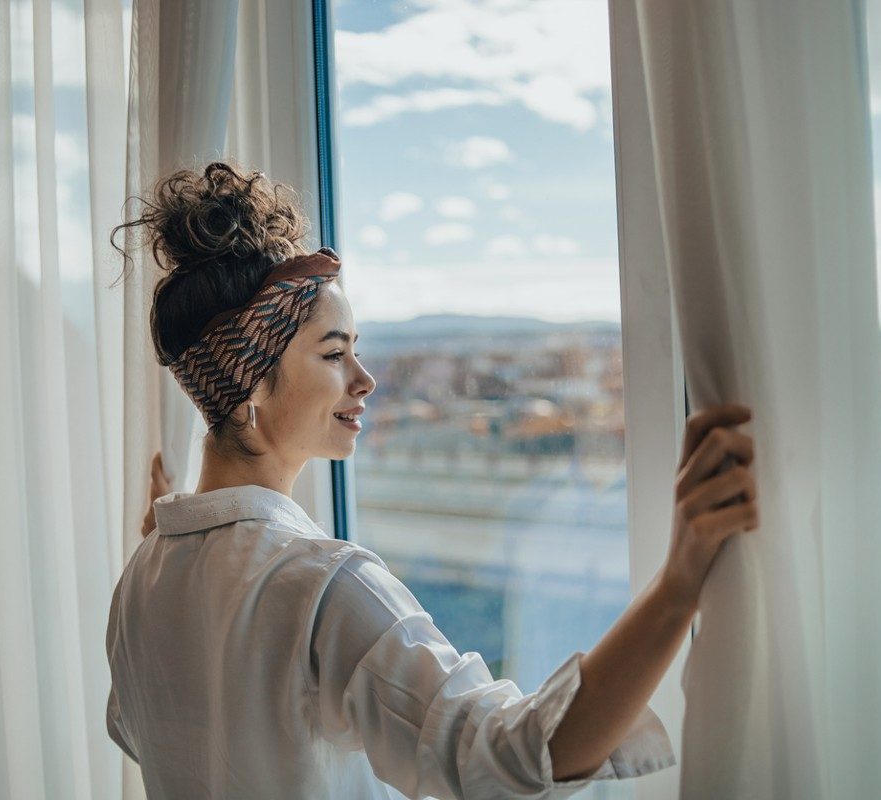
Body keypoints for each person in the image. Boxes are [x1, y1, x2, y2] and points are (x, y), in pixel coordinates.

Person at [106, 161, 759, 799]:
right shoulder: (319, 586)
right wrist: (679, 584)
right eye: (335, 353)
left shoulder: (141, 581)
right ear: (249, 380)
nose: (365, 380)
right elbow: (513, 759)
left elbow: (155, 731)